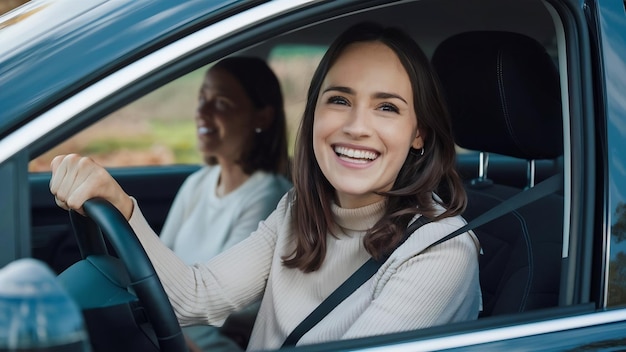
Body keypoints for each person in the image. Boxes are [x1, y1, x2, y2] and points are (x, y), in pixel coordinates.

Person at [49, 22, 481, 351]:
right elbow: (195, 298)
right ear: (313, 114)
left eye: (386, 107)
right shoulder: (297, 210)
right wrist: (121, 207)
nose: (356, 127)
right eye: (339, 100)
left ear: (418, 133)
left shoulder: (439, 251)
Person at [159, 56, 292, 350]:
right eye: (201, 99)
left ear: (262, 117)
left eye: (220, 103)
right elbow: (154, 265)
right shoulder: (197, 183)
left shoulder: (270, 196)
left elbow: (224, 307)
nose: (201, 112)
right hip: (169, 329)